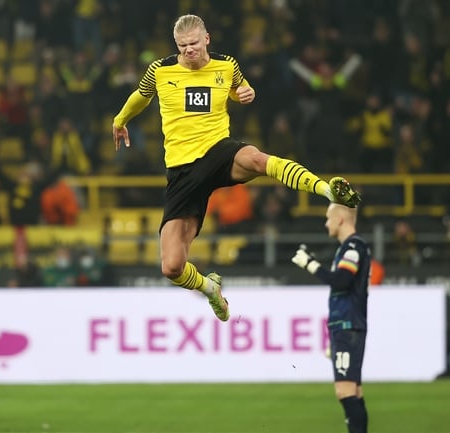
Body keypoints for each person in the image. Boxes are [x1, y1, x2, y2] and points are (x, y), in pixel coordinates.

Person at [112, 14, 360, 321]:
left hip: (218, 150)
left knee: (257, 159)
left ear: (207, 39)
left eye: (193, 44)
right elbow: (141, 96)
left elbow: (241, 88)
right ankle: (209, 289)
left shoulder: (226, 65)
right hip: (181, 170)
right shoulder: (161, 70)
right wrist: (120, 120)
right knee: (171, 266)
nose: (188, 50)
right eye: (182, 46)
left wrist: (247, 92)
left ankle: (328, 190)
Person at [290, 194, 369, 433]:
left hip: (347, 326)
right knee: (353, 392)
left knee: (346, 392)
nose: (326, 224)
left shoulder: (353, 247)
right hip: (343, 327)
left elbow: (343, 281)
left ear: (341, 218)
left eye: (328, 218)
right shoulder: (347, 248)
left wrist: (311, 265)